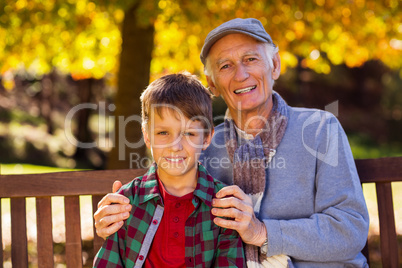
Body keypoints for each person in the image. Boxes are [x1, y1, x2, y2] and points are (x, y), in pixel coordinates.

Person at [94, 18, 369, 267]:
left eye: (250, 59)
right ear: (211, 84)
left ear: (275, 65)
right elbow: (166, 190)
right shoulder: (202, 144)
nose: (240, 74)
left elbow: (351, 230)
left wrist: (261, 232)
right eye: (225, 65)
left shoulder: (319, 129)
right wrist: (117, 215)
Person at [93, 72, 246, 267]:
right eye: (163, 132)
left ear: (207, 138)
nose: (175, 145)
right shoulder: (127, 201)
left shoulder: (222, 205)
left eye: (189, 133)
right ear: (147, 136)